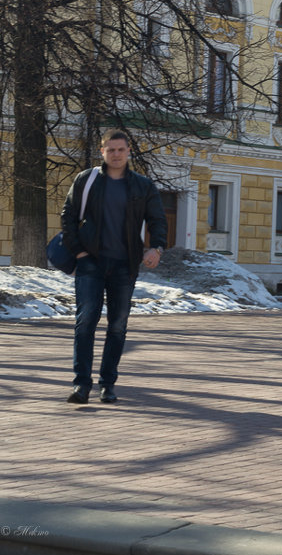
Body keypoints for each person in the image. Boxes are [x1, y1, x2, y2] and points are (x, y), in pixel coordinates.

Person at [59, 130, 167, 404]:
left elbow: (157, 220)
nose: (116, 154)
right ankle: (81, 384)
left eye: (121, 149)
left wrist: (157, 247)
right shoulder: (87, 180)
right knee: (85, 323)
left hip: (124, 265)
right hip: (91, 262)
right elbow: (68, 215)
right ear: (102, 151)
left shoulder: (142, 185)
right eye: (111, 150)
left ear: (129, 151)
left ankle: (108, 384)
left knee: (117, 326)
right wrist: (79, 252)